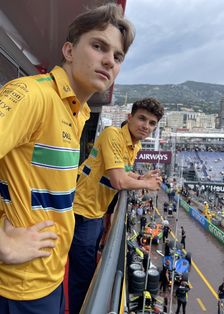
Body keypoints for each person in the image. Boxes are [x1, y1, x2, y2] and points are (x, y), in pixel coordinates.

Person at [0, 3, 135, 314]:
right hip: (19, 288)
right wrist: (4, 245)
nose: (108, 61)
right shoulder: (33, 96)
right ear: (69, 50)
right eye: (99, 46)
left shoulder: (77, 112)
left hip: (48, 278)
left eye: (117, 57)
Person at [69, 97, 164, 313]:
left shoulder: (134, 144)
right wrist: (147, 184)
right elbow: (118, 181)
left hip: (94, 214)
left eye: (152, 123)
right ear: (129, 117)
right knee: (82, 278)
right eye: (142, 119)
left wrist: (140, 178)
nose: (146, 126)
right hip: (81, 212)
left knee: (85, 272)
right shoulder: (112, 134)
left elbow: (122, 172)